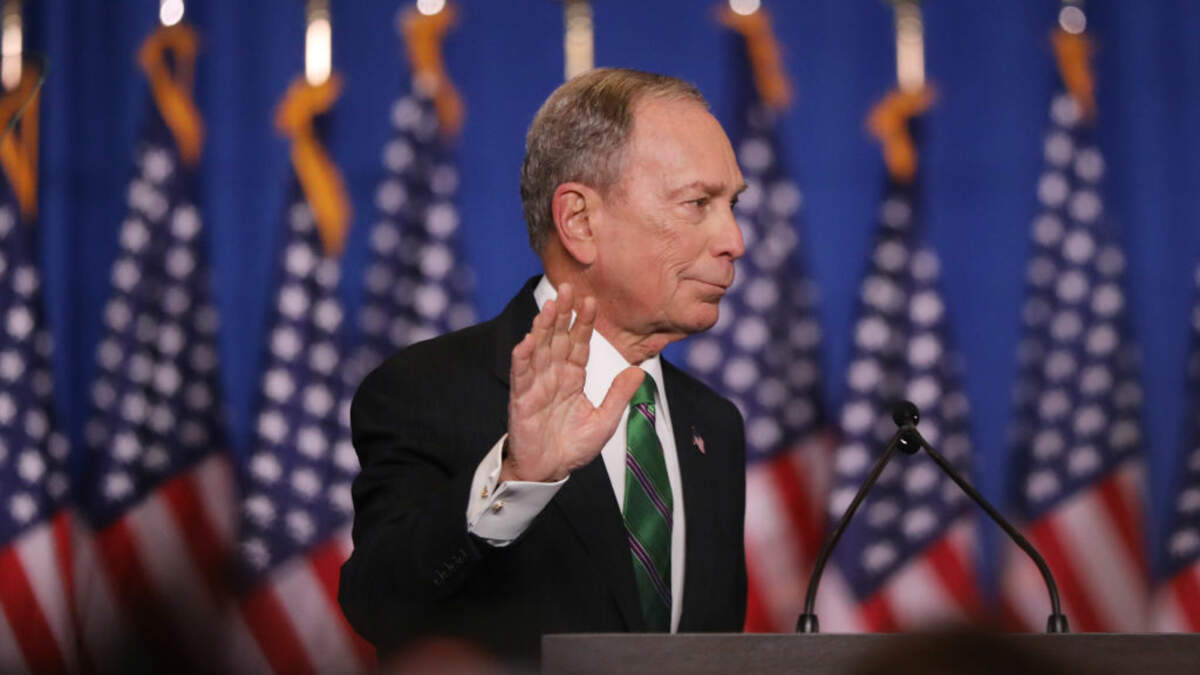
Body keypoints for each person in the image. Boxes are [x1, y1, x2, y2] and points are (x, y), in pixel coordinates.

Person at [339, 67, 748, 664]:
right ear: (579, 221)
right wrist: (516, 479)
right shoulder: (426, 390)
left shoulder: (714, 424)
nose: (734, 239)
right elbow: (378, 607)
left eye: (733, 204)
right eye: (698, 203)